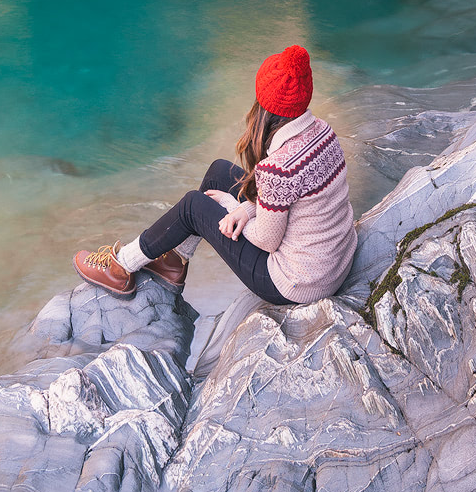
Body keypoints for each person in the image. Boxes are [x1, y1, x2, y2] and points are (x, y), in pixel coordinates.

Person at [73, 45, 357, 306]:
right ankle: (174, 261)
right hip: (333, 262)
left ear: (264, 106)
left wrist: (233, 208)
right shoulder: (323, 132)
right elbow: (293, 201)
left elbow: (267, 241)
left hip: (295, 283)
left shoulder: (277, 167)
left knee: (192, 207)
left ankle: (120, 267)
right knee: (219, 172)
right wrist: (246, 209)